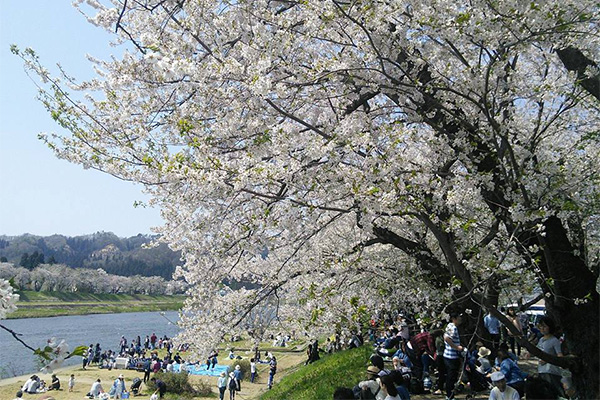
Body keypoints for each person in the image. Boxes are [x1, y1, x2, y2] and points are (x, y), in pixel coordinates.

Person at [536, 316, 564, 395]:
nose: (542, 328)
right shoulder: (541, 339)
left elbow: (559, 355)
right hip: (541, 370)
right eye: (540, 326)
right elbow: (537, 351)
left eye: (544, 326)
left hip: (551, 372)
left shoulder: (554, 340)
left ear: (550, 327)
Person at [443, 312, 464, 400]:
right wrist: (456, 347)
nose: (461, 319)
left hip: (450, 355)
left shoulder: (450, 325)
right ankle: (449, 396)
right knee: (451, 377)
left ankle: (450, 394)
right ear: (454, 319)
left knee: (451, 376)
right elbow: (446, 338)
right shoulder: (453, 328)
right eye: (459, 317)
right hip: (451, 356)